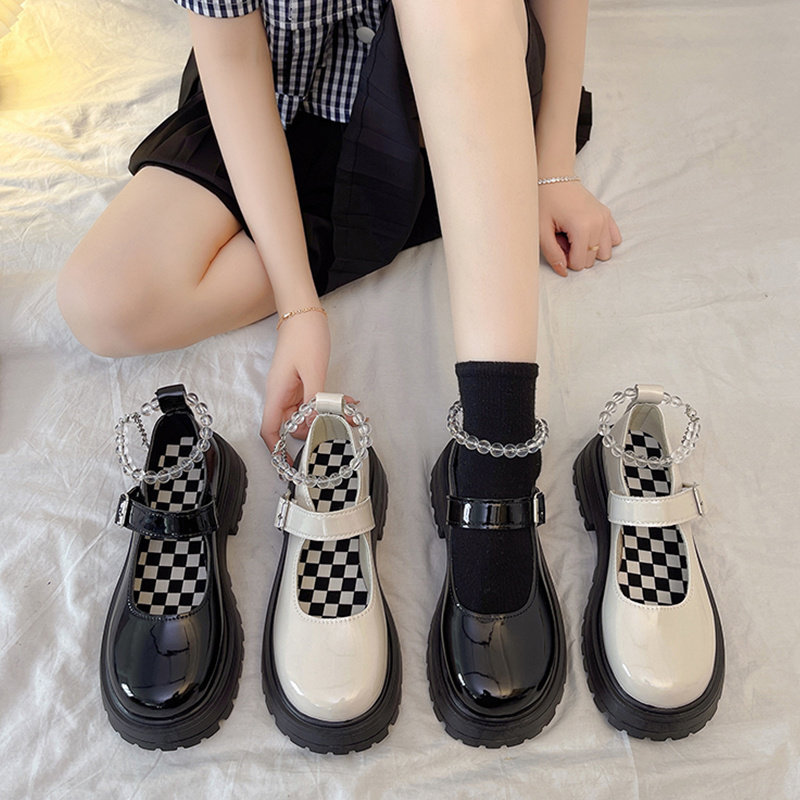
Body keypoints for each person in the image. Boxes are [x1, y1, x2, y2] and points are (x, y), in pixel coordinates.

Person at [57, 0, 621, 746]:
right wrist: (299, 306)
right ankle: (468, 201)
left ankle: (496, 454)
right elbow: (231, 55)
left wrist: (551, 167)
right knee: (101, 301)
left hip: (443, 78)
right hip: (277, 94)